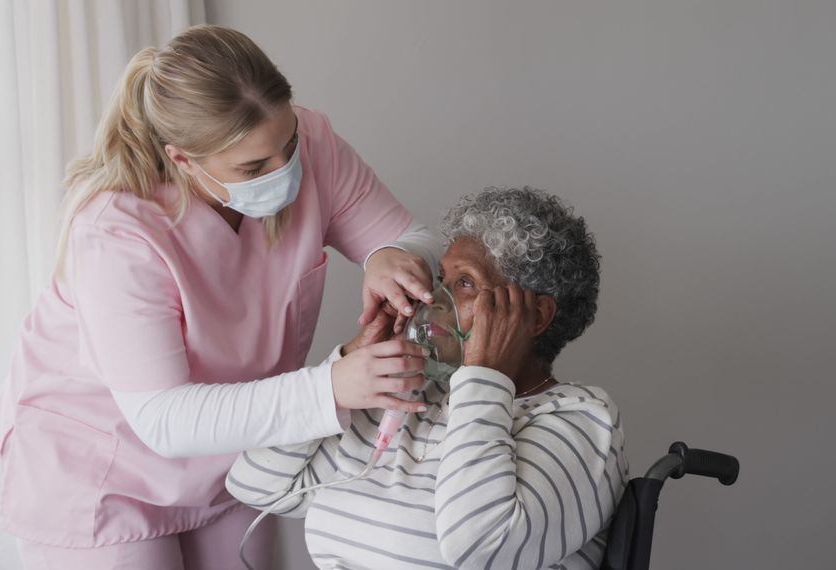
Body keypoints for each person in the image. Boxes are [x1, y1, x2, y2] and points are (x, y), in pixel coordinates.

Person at [0, 25, 443, 569]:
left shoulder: (307, 141)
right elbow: (163, 417)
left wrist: (390, 255)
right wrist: (331, 388)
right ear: (183, 159)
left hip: (235, 456)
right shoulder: (116, 230)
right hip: (103, 469)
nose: (287, 170)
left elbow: (415, 237)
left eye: (288, 144)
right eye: (253, 168)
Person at [229, 187, 629, 569]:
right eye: (441, 281)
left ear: (535, 316)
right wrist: (347, 367)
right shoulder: (408, 395)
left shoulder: (581, 421)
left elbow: (479, 548)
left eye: (466, 284)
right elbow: (256, 485)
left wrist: (485, 377)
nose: (434, 300)